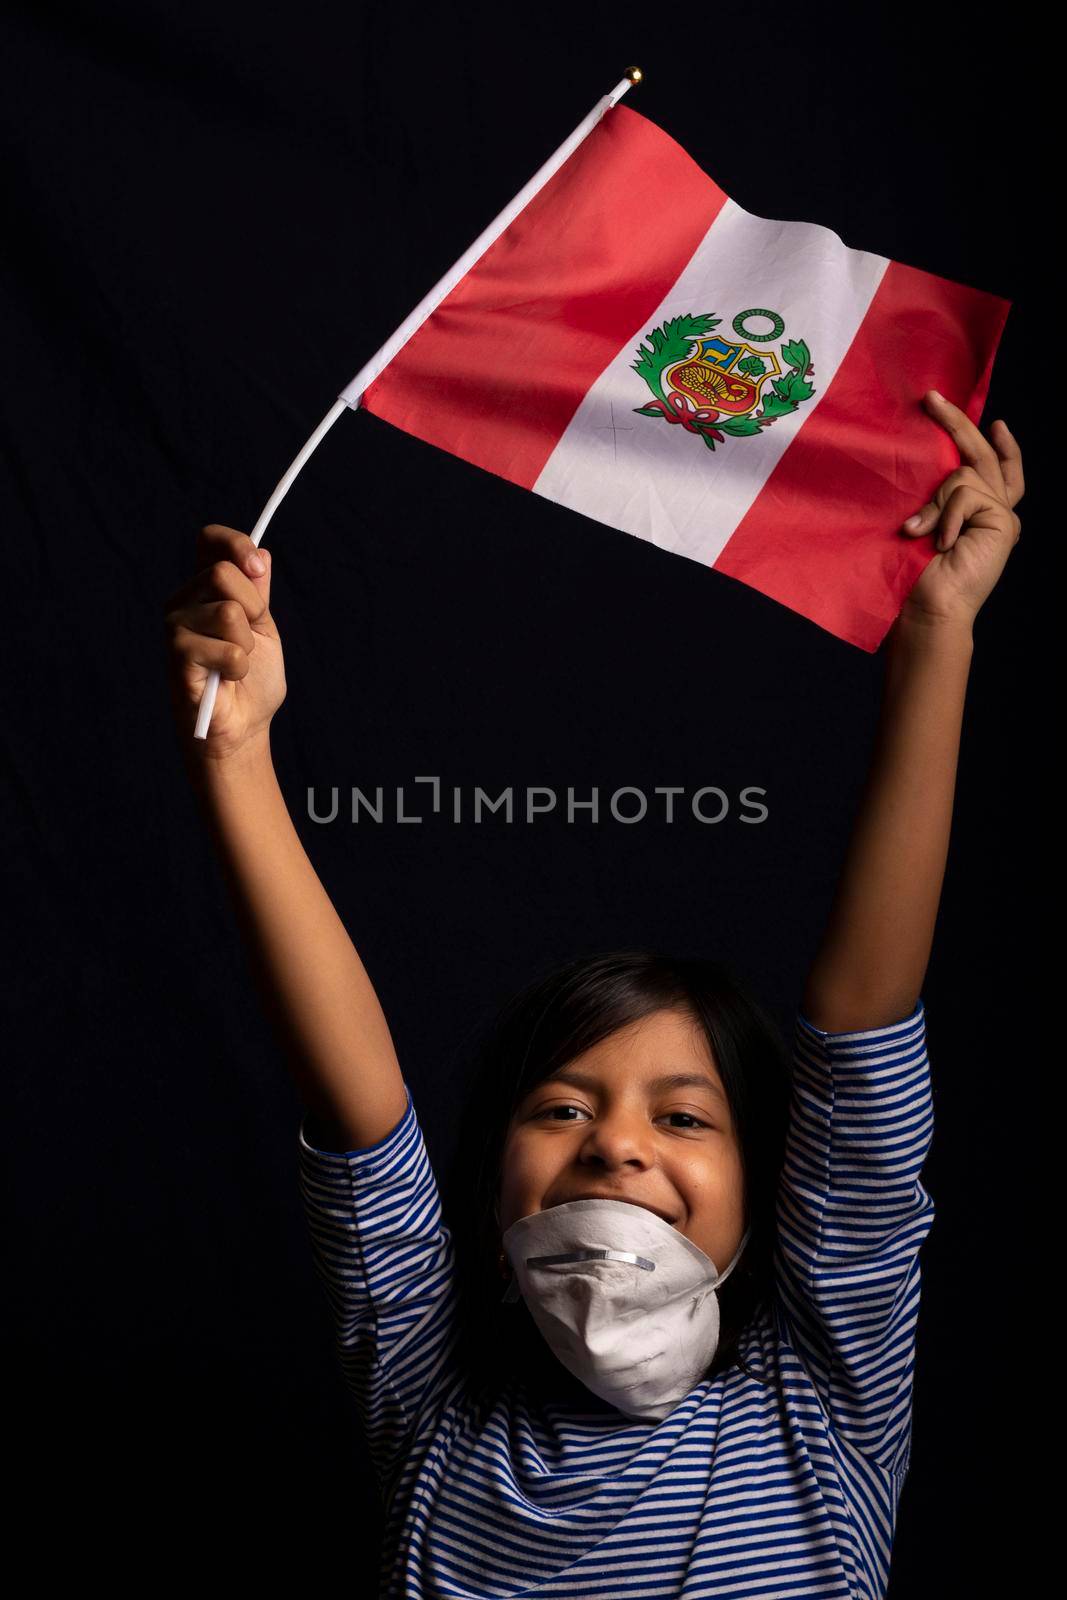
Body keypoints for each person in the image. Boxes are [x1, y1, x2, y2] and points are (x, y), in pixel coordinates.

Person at [163, 390, 1023, 1598]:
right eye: (561, 1108)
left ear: (775, 1183)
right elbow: (356, 1107)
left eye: (681, 1115)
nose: (616, 1145)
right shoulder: (430, 1386)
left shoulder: (819, 1391)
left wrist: (936, 631)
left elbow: (863, 1020)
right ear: (490, 1183)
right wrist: (236, 758)